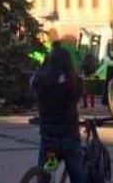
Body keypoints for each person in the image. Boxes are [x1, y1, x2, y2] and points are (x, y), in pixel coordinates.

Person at [32, 46, 86, 183]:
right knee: (78, 177)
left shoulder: (42, 81)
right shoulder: (74, 82)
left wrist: (43, 67)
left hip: (49, 139)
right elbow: (80, 90)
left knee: (45, 174)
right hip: (69, 139)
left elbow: (33, 81)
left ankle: (44, 178)